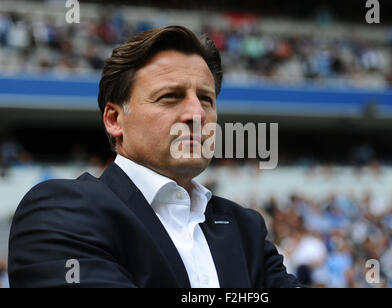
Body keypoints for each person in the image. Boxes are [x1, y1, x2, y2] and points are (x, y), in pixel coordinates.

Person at [8, 25, 300, 288]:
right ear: (114, 119)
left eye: (206, 100)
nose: (196, 114)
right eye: (170, 96)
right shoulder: (61, 212)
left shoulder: (245, 227)